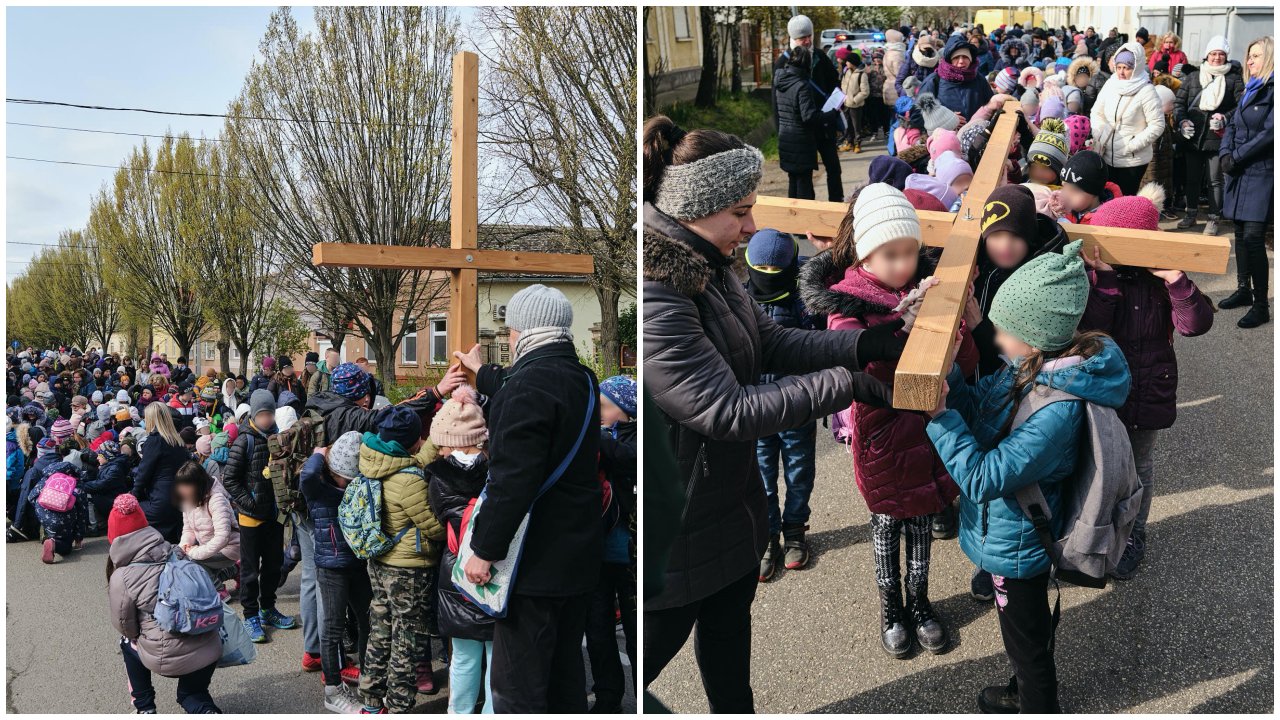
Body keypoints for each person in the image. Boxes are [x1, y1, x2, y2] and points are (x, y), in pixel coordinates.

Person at [641, 117, 901, 712]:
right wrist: (850, 384)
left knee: (731, 655)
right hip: (678, 528)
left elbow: (775, 344)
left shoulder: (711, 263)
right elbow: (722, 409)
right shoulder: (660, 287)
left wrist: (869, 344)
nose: (753, 226)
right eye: (739, 212)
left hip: (729, 508)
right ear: (694, 208)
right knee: (635, 671)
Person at [926, 239, 1131, 713]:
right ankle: (1025, 689)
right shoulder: (1027, 368)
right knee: (1027, 634)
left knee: (1028, 646)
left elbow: (980, 477)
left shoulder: (1055, 412)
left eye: (1002, 330)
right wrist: (954, 381)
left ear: (1034, 335)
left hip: (1019, 547)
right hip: (1008, 535)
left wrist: (939, 418)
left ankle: (1035, 703)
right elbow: (981, 415)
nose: (994, 339)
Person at [799, 184, 976, 658]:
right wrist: (905, 325)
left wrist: (955, 326)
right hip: (880, 433)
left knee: (921, 521)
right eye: (890, 254)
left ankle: (919, 602)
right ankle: (891, 607)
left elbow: (962, 357)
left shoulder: (926, 290)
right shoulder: (847, 306)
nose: (903, 264)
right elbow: (858, 368)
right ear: (864, 254)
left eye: (911, 252)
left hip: (927, 430)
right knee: (885, 523)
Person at [450, 283, 602, 714]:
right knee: (565, 675)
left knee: (519, 686)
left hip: (534, 561)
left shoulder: (527, 386)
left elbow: (512, 481)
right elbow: (527, 394)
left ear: (520, 332)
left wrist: (484, 550)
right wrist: (484, 373)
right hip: (576, 555)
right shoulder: (582, 378)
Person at [1078, 186, 1214, 580]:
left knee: (1139, 468)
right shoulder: (1098, 279)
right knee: (1100, 465)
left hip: (1150, 392)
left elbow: (1194, 325)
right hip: (1107, 394)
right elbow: (1092, 329)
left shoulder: (1162, 283)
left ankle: (1134, 535)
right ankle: (1096, 531)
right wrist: (1104, 281)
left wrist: (1176, 279)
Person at [742, 229, 820, 582]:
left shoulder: (804, 299)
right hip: (756, 406)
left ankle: (794, 532)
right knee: (762, 476)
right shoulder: (740, 298)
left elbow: (819, 345)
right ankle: (767, 537)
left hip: (796, 404)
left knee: (799, 471)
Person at [357, 406, 444, 715]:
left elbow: (412, 462)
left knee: (380, 630)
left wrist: (435, 437)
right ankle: (399, 706)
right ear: (411, 441)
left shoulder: (374, 460)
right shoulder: (410, 481)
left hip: (379, 561)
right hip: (407, 569)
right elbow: (432, 527)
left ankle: (370, 701)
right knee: (406, 639)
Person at [107, 494, 222, 714]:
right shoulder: (176, 552)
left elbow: (125, 625)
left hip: (166, 657)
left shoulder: (123, 576)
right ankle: (205, 707)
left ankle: (145, 708)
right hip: (210, 644)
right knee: (191, 695)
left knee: (126, 642)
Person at [424, 388, 496, 715]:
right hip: (497, 569)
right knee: (499, 656)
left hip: (457, 573)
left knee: (464, 656)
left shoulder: (438, 479)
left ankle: (459, 712)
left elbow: (440, 519)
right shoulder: (499, 473)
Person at [300, 430, 368, 712]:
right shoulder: (317, 489)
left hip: (358, 564)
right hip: (331, 568)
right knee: (332, 629)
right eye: (344, 476)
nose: (347, 483)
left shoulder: (357, 486)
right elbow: (306, 474)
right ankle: (333, 691)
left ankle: (369, 677)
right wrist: (319, 452)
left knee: (368, 621)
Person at [223, 389, 297, 643]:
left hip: (274, 515)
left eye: (270, 414)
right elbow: (229, 479)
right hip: (251, 518)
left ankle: (268, 608)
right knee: (251, 571)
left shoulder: (278, 437)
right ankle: (251, 615)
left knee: (274, 566)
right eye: (262, 415)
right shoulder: (245, 440)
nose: (267, 419)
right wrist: (249, 502)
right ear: (254, 415)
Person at [589, 375, 637, 713]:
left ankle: (641, 695)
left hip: (631, 553)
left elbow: (626, 456)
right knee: (598, 627)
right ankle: (607, 695)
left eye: (607, 406)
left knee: (636, 631)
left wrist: (592, 435)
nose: (601, 412)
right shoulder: (604, 438)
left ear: (627, 410)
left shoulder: (637, 439)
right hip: (598, 550)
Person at [1219, 36, 1274, 329]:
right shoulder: (1250, 89)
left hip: (1262, 172)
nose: (1249, 61)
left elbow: (1269, 133)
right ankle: (1243, 289)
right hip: (1240, 170)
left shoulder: (1273, 90)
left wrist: (1236, 156)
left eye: (1255, 56)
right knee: (1239, 234)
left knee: (1254, 237)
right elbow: (1233, 125)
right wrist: (1226, 153)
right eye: (1248, 55)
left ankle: (1261, 304)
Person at [1174, 35, 1244, 234]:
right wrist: (1182, 121)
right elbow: (1180, 104)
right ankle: (1191, 213)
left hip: (1218, 138)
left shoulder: (1234, 79)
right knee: (1192, 179)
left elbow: (1241, 107)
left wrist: (1225, 117)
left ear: (1226, 56)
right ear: (1207, 55)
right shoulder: (1194, 77)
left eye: (1221, 54)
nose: (1217, 57)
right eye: (1213, 53)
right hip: (1193, 137)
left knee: (1215, 180)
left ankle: (1214, 218)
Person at [1090, 41, 1165, 195]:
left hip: (1132, 160)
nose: (1121, 72)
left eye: (1127, 68)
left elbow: (1157, 125)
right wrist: (1099, 133)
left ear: (1136, 67)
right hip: (1107, 153)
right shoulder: (1111, 84)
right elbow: (1097, 112)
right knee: (1107, 199)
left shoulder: (1146, 90)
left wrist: (1131, 145)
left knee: (1125, 202)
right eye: (1119, 67)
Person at [785, 14, 843, 202]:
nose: (808, 40)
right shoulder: (783, 62)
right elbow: (778, 103)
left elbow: (834, 82)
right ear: (793, 39)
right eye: (803, 37)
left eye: (809, 35)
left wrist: (836, 99)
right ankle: (807, 218)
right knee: (803, 177)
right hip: (802, 130)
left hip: (824, 124)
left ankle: (837, 205)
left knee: (834, 167)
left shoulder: (820, 56)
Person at [174, 459, 241, 592]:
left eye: (186, 486)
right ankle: (236, 571)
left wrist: (195, 552)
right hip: (209, 547)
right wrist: (184, 546)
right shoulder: (188, 499)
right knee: (181, 558)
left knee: (193, 563)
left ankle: (218, 590)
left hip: (230, 548)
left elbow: (223, 537)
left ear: (197, 484)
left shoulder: (217, 499)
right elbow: (188, 529)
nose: (182, 490)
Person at [130, 402, 192, 544]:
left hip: (160, 500)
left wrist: (133, 495)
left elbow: (143, 473)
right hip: (179, 499)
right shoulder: (178, 441)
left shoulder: (155, 440)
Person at [774, 44, 824, 200]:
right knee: (804, 187)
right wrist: (829, 114)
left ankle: (792, 220)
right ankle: (805, 222)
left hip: (786, 139)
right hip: (801, 141)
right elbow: (809, 117)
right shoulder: (802, 85)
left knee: (793, 182)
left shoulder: (781, 81)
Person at [917, 35, 992, 122]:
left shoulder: (979, 79)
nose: (961, 61)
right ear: (950, 60)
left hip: (977, 133)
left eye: (965, 57)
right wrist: (945, 119)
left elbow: (989, 105)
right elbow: (918, 114)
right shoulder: (934, 81)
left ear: (971, 59)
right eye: (956, 57)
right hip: (944, 134)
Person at [29, 460, 89, 563]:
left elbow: (31, 497)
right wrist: (79, 536)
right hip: (65, 519)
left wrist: (43, 511)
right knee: (66, 548)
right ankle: (54, 544)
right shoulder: (77, 485)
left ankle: (49, 536)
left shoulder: (46, 479)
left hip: (44, 514)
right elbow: (82, 512)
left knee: (52, 525)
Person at [1055, 150, 1121, 224]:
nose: (1065, 195)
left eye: (1074, 190)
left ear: (1094, 192)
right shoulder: (1063, 209)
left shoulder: (1107, 222)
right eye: (1064, 186)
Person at [838, 49, 870, 153]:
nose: (846, 63)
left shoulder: (861, 74)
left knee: (857, 126)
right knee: (847, 125)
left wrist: (855, 100)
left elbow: (865, 92)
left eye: (848, 61)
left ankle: (857, 144)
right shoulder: (846, 72)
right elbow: (843, 84)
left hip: (856, 105)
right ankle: (849, 143)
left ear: (852, 62)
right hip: (846, 103)